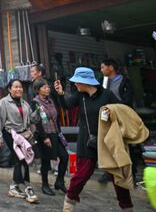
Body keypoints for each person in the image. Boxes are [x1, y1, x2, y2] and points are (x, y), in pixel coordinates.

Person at [54, 67, 133, 212]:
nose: (75, 85)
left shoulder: (107, 95)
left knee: (117, 177)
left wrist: (112, 111)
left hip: (107, 141)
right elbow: (65, 105)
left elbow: (122, 109)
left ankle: (127, 207)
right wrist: (60, 93)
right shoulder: (79, 95)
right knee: (81, 175)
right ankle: (69, 203)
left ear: (85, 82)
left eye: (77, 82)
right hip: (87, 142)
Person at [0, 78, 39, 204]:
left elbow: (31, 121)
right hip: (10, 134)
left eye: (20, 87)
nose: (19, 89)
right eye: (16, 87)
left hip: (23, 135)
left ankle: (14, 187)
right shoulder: (3, 103)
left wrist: (37, 114)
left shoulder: (25, 104)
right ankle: (29, 188)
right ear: (9, 89)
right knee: (22, 159)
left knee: (20, 160)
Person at [98, 59, 135, 184]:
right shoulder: (103, 82)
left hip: (121, 116)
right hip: (107, 117)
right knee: (109, 143)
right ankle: (110, 172)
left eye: (103, 67)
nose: (101, 70)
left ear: (111, 67)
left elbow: (128, 100)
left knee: (125, 144)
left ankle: (131, 173)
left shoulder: (124, 81)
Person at [31, 78, 68, 196]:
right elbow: (37, 122)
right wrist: (44, 137)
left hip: (55, 134)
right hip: (44, 135)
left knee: (65, 156)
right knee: (46, 161)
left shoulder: (51, 100)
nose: (47, 89)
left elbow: (61, 109)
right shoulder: (35, 102)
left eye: (48, 87)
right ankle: (45, 185)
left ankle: (60, 181)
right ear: (38, 90)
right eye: (44, 87)